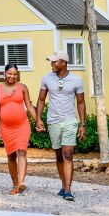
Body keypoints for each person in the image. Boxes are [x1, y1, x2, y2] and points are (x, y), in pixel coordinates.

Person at [35, 51, 86, 201]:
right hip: (53, 121)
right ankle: (63, 185)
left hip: (70, 120)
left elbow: (81, 102)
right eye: (51, 62)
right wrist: (38, 119)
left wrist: (82, 125)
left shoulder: (76, 80)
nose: (52, 64)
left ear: (63, 62)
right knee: (58, 155)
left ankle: (69, 190)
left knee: (68, 154)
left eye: (54, 62)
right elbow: (41, 99)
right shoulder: (46, 78)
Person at [0, 63, 38, 195]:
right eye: (10, 73)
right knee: (11, 156)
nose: (12, 76)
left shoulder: (22, 87)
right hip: (6, 128)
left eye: (15, 74)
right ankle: (15, 184)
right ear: (5, 73)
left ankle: (22, 182)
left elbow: (29, 106)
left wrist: (38, 121)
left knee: (21, 152)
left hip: (22, 125)